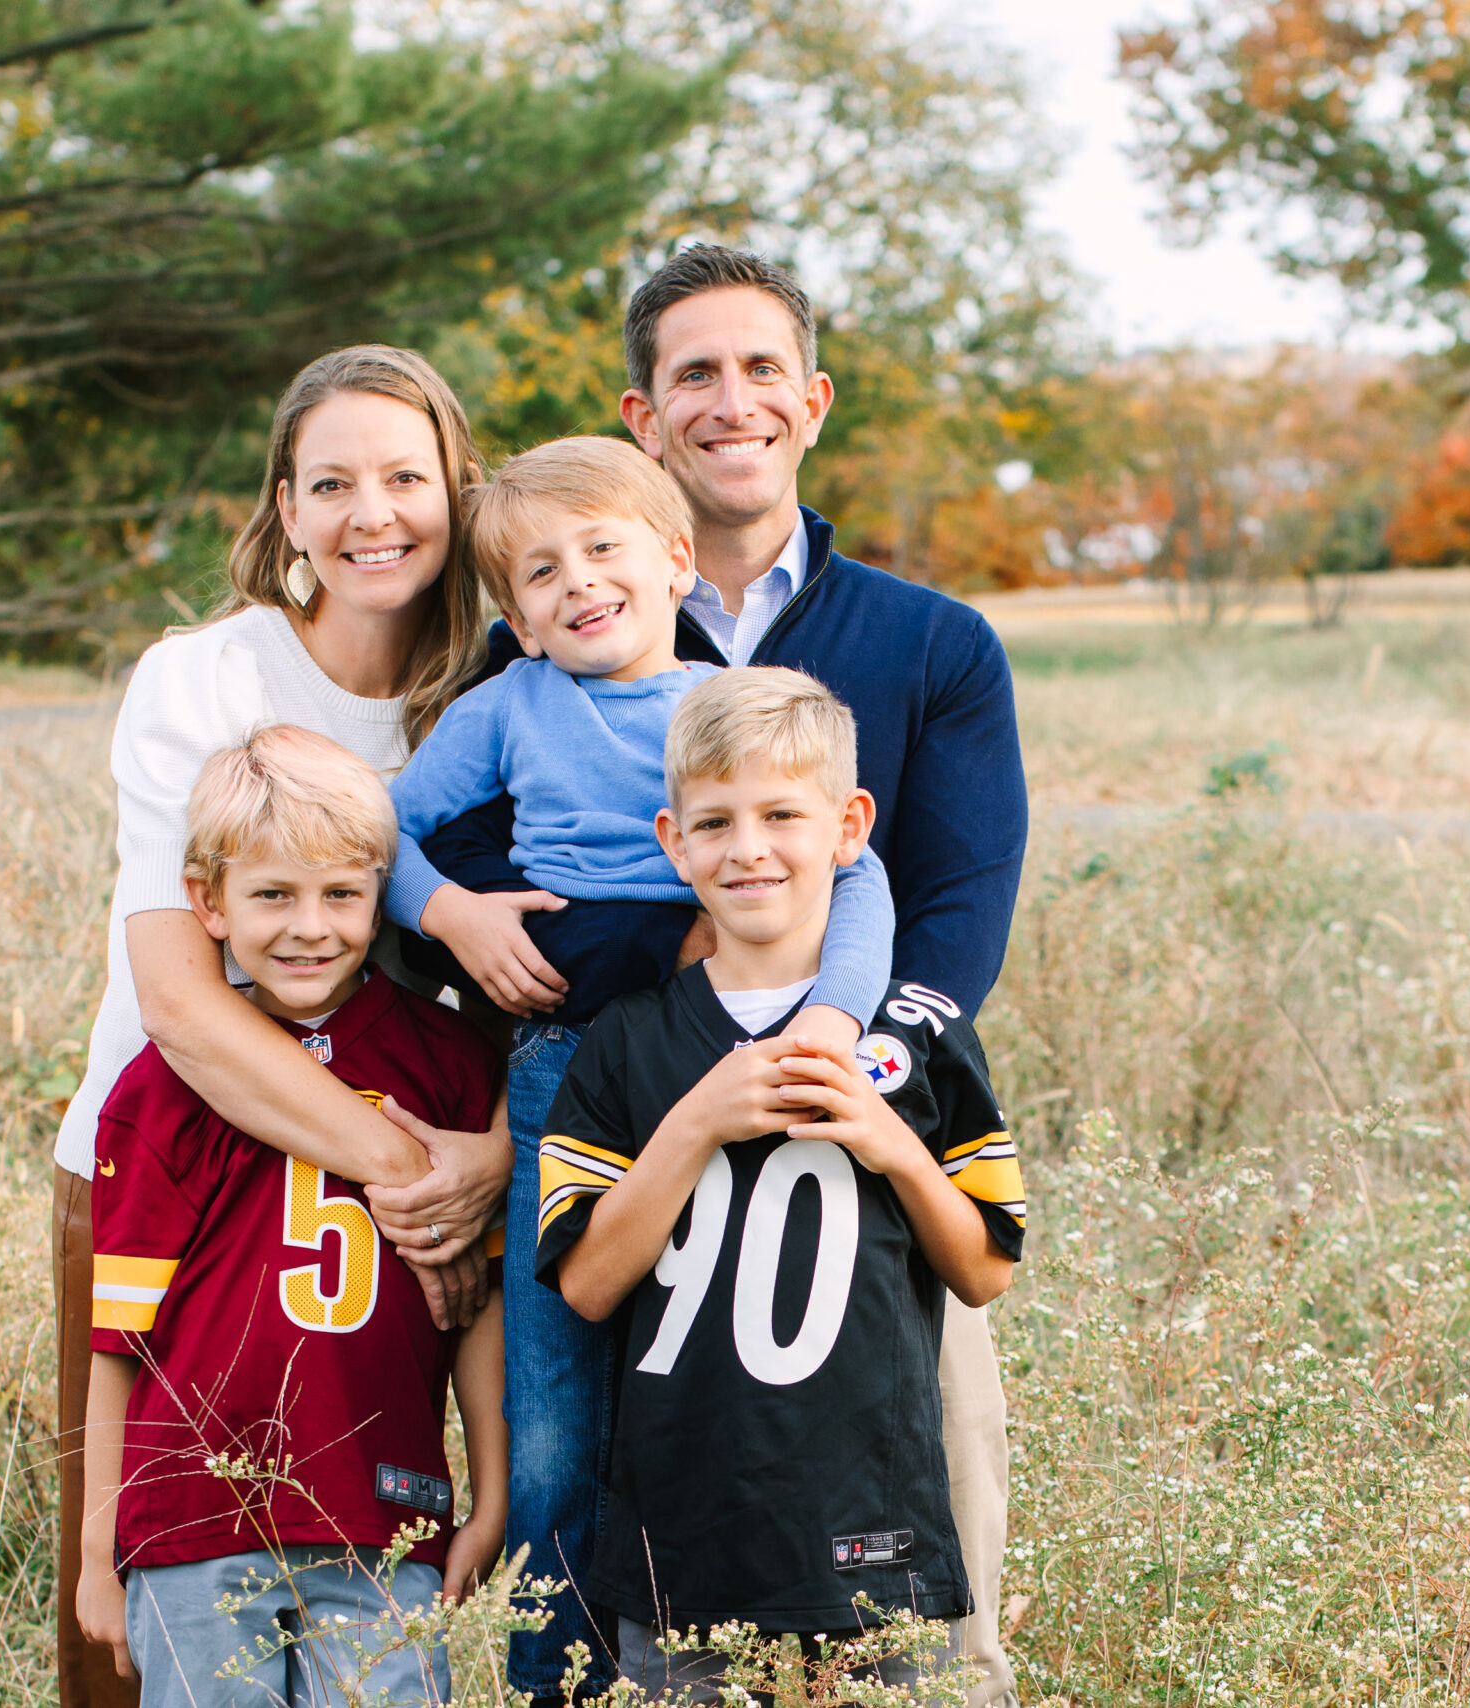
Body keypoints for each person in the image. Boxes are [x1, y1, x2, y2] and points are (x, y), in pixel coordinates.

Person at [416, 248, 1030, 1707]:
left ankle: (940, 1678)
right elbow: (496, 889)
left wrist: (858, 1055)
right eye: (694, 373)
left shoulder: (927, 640)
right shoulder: (560, 638)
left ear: (812, 401)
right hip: (617, 1100)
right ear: (644, 417)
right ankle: (593, 1683)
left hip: (847, 1108)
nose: (730, 401)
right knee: (604, 1436)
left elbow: (956, 896)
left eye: (761, 369)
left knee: (913, 1438)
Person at [386, 436, 897, 1678]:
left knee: (709, 1377)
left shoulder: (724, 708)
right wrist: (451, 912)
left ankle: (729, 1649)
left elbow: (860, 868)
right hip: (561, 1064)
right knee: (554, 1397)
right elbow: (378, 830)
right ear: (514, 615)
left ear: (675, 559)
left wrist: (832, 1018)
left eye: (601, 549)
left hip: (719, 1052)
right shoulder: (506, 707)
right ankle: (559, 1672)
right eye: (539, 574)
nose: (575, 584)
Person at [53, 347, 517, 1708]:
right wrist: (424, 1171)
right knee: (144, 1620)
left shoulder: (495, 697)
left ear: (457, 493)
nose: (372, 513)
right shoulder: (204, 681)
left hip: (403, 1200)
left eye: (404, 477)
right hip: (174, 1163)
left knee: (364, 1581)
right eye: (332, 483)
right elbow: (184, 1011)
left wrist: (492, 1166)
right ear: (286, 508)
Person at [535, 669, 1025, 1695]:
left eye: (781, 814)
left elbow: (984, 1271)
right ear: (674, 840)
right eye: (714, 820)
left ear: (847, 827)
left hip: (870, 1512)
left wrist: (890, 1144)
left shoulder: (914, 1036)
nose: (746, 846)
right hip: (685, 1521)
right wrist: (696, 1122)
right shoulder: (626, 1040)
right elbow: (584, 1285)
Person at [76, 727, 508, 1706]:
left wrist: (490, 1488)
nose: (308, 927)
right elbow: (117, 1342)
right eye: (273, 894)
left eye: (340, 895)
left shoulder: (448, 1060)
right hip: (193, 1521)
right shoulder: (163, 1088)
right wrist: (97, 1549)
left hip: (385, 1517)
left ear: (380, 895)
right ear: (209, 903)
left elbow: (474, 1303)